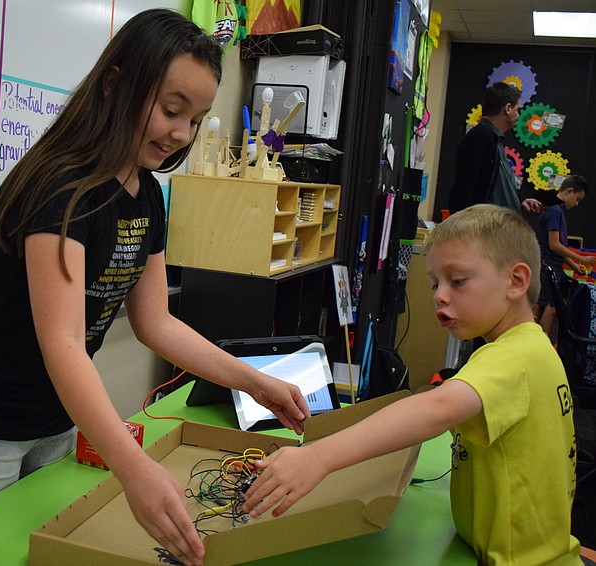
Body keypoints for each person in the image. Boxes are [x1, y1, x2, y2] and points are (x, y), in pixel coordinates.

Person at [0, 9, 308, 566]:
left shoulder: (146, 194)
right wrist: (134, 468)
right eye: (172, 110)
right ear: (115, 83)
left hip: (52, 415)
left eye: (195, 120)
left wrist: (255, 383)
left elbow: (156, 323)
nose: (181, 133)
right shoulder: (62, 185)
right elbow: (64, 342)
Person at [243, 205, 583, 565]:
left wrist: (317, 456)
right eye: (435, 283)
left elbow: (437, 409)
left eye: (458, 280)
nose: (439, 295)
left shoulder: (511, 357)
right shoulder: (532, 347)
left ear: (516, 281)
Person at [448, 82, 543, 215]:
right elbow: (463, 189)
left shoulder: (495, 140)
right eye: (518, 109)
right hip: (483, 229)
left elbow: (498, 185)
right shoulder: (479, 138)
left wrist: (520, 200)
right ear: (508, 108)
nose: (518, 115)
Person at [534, 174, 595, 335]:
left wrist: (574, 265)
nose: (576, 204)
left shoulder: (553, 209)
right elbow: (554, 245)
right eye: (577, 199)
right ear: (569, 191)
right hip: (548, 266)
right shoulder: (555, 211)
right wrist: (580, 258)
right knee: (551, 308)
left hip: (548, 264)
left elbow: (557, 247)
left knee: (541, 305)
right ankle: (542, 344)